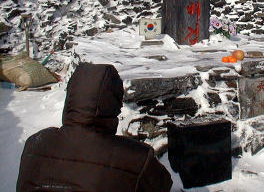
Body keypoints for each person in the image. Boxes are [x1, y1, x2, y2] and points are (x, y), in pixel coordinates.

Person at [17, 62, 172, 192]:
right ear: (114, 104)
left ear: (70, 97)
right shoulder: (136, 157)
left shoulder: (35, 143)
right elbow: (164, 185)